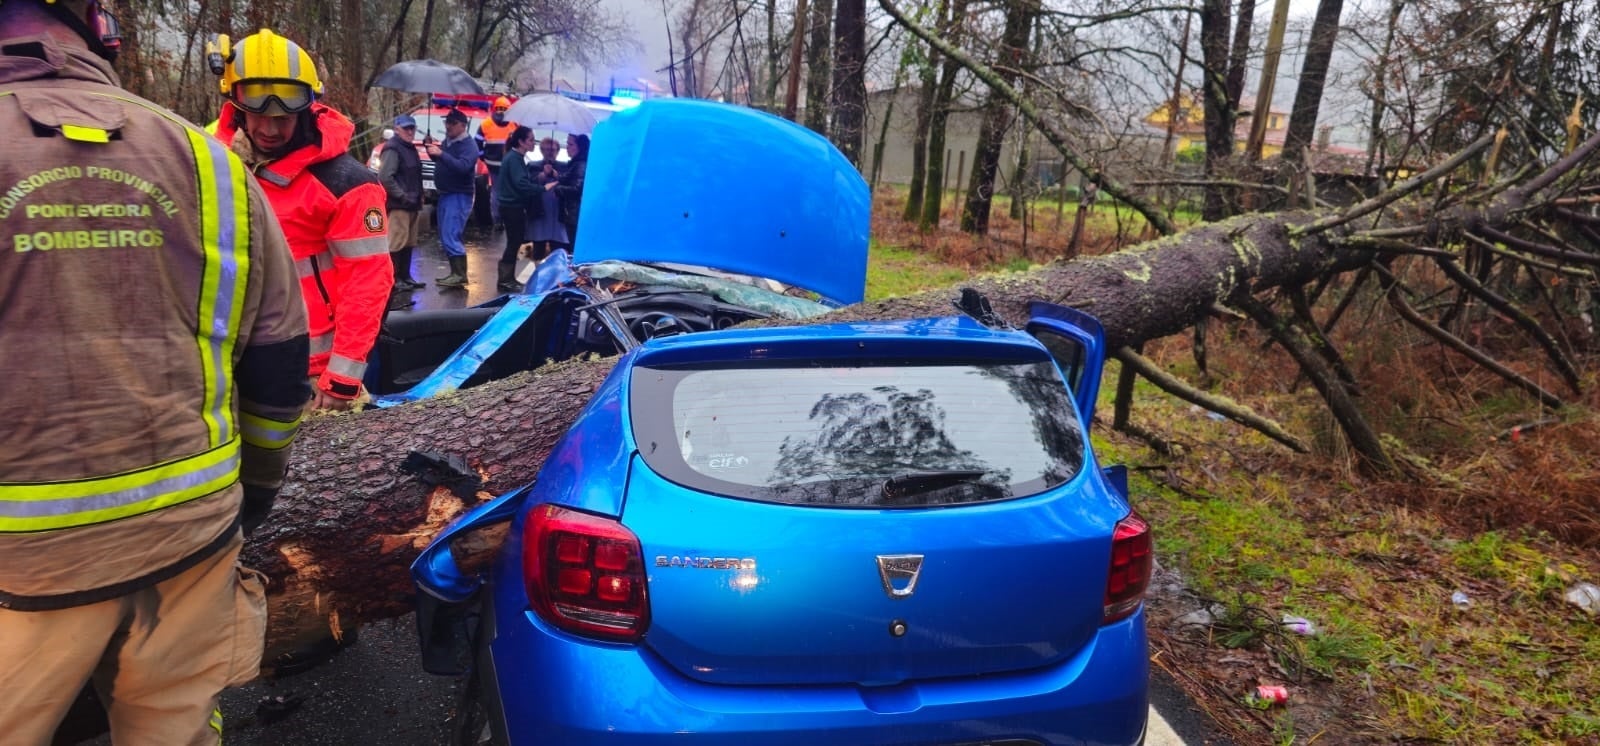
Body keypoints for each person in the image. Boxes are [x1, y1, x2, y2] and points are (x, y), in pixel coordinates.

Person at [0, 1, 312, 743]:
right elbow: (277, 362)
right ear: (97, 24)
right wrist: (255, 490)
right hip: (190, 538)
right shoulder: (210, 163)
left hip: (21, 565)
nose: (273, 119)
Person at [212, 29, 393, 410]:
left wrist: (342, 378)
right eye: (259, 115)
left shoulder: (346, 184)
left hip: (309, 375)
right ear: (236, 107)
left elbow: (367, 281)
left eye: (284, 118)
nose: (271, 129)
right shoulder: (212, 160)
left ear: (307, 109)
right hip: (226, 365)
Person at [429, 108, 479, 288]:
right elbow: (444, 162)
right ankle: (455, 273)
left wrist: (441, 154)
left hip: (459, 195)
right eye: (447, 122)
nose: (448, 126)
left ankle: (459, 274)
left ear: (463, 126)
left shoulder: (469, 146)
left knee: (451, 233)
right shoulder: (448, 142)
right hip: (446, 193)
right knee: (445, 233)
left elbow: (463, 167)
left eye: (452, 123)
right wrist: (432, 151)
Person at [378, 113, 426, 291]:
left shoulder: (409, 147)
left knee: (409, 242)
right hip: (400, 205)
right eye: (406, 128)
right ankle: (393, 279)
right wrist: (401, 196)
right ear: (397, 129)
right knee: (396, 242)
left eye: (412, 128)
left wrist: (419, 196)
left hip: (412, 204)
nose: (410, 131)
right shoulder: (392, 148)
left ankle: (405, 276)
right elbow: (385, 177)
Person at [494, 125, 540, 292]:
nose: (534, 143)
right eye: (531, 140)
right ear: (521, 142)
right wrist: (542, 188)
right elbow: (521, 184)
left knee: (514, 241)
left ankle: (508, 278)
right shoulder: (514, 159)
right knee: (514, 242)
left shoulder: (517, 158)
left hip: (512, 205)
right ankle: (505, 279)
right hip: (512, 206)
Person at [527, 136, 571, 260]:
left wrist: (557, 175)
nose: (549, 152)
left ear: (557, 151)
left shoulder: (565, 166)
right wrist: (543, 174)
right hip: (540, 212)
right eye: (546, 149)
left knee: (559, 251)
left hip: (558, 213)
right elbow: (530, 183)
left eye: (552, 150)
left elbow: (569, 182)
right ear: (541, 150)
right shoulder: (533, 165)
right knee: (538, 250)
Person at [476, 95, 516, 227]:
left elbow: (477, 143)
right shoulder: (514, 124)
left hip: (492, 164)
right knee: (509, 191)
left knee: (496, 191)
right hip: (510, 164)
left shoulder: (485, 123)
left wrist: (483, 157)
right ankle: (508, 218)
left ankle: (497, 219)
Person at [550, 132, 589, 248]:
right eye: (567, 144)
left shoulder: (580, 165)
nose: (567, 147)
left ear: (580, 147)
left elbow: (577, 189)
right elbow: (569, 179)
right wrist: (555, 175)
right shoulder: (575, 163)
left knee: (574, 245)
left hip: (574, 213)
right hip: (572, 213)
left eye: (571, 144)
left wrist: (558, 190)